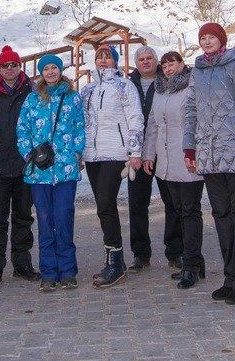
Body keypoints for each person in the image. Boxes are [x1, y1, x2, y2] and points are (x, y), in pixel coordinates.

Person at [184, 22, 235, 306]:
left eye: (211, 38)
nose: (206, 42)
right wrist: (189, 148)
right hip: (209, 155)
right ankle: (230, 277)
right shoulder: (198, 72)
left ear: (221, 40)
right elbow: (190, 112)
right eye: (202, 38)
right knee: (221, 216)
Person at [15, 54, 85, 291]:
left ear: (60, 70)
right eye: (47, 69)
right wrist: (29, 154)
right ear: (42, 73)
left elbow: (79, 126)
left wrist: (76, 152)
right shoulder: (32, 99)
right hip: (39, 171)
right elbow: (22, 129)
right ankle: (48, 272)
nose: (51, 72)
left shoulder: (72, 97)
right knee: (45, 220)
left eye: (55, 68)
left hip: (65, 169)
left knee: (63, 217)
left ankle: (67, 271)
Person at [81, 42, 144, 289]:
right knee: (101, 207)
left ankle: (116, 261)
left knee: (106, 205)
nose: (103, 61)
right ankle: (113, 257)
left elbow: (135, 119)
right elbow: (82, 123)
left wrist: (135, 150)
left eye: (108, 57)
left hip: (115, 153)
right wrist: (79, 152)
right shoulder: (87, 90)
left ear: (116, 61)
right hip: (92, 155)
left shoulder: (124, 86)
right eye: (99, 57)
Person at [142, 50, 204, 290]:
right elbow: (153, 126)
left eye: (172, 64)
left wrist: (196, 151)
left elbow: (198, 121)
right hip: (166, 160)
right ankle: (196, 260)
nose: (168, 69)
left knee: (190, 211)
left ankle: (190, 265)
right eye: (164, 65)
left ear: (181, 64)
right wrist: (149, 154)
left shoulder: (192, 87)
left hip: (188, 158)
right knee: (178, 210)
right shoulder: (159, 90)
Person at [0, 45, 40, 289]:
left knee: (23, 216)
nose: (9, 69)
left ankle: (22, 263)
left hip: (25, 165)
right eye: (5, 65)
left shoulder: (33, 92)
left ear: (20, 66)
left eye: (13, 65)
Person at [126, 45, 181, 272]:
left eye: (150, 58)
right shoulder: (128, 84)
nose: (146, 62)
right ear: (136, 63)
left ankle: (175, 251)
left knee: (172, 202)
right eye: (141, 59)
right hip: (137, 151)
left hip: (164, 148)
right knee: (137, 203)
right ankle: (141, 254)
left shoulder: (166, 79)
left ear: (156, 61)